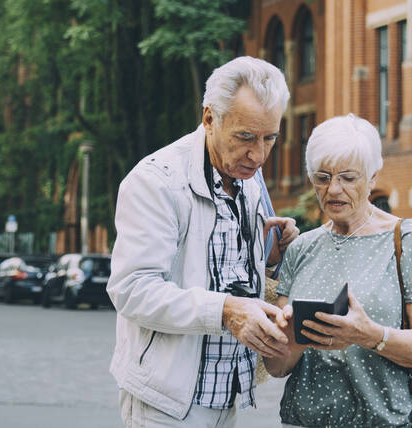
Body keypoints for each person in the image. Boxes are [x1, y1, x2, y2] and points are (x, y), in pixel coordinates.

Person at [107, 56, 300, 427]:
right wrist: (226, 310)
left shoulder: (249, 180)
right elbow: (132, 289)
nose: (258, 155)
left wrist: (266, 255)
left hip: (227, 396)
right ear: (209, 118)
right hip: (166, 403)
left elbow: (220, 267)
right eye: (245, 137)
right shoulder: (155, 181)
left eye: (269, 138)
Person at [264, 114, 412, 427]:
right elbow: (277, 366)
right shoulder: (301, 248)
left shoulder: (406, 239)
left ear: (373, 177)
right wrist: (293, 339)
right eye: (322, 178)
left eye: (348, 178)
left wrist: (370, 335)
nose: (334, 189)